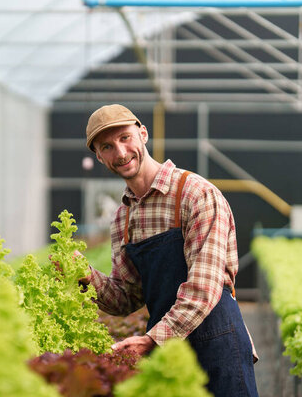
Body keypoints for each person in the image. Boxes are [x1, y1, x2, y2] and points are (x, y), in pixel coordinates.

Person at [81, 104, 259, 397]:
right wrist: (86, 278)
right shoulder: (122, 218)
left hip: (216, 343)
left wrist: (153, 340)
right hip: (166, 351)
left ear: (143, 134)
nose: (121, 153)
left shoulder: (195, 194)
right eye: (107, 147)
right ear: (99, 157)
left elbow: (204, 288)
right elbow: (127, 297)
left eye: (125, 138)